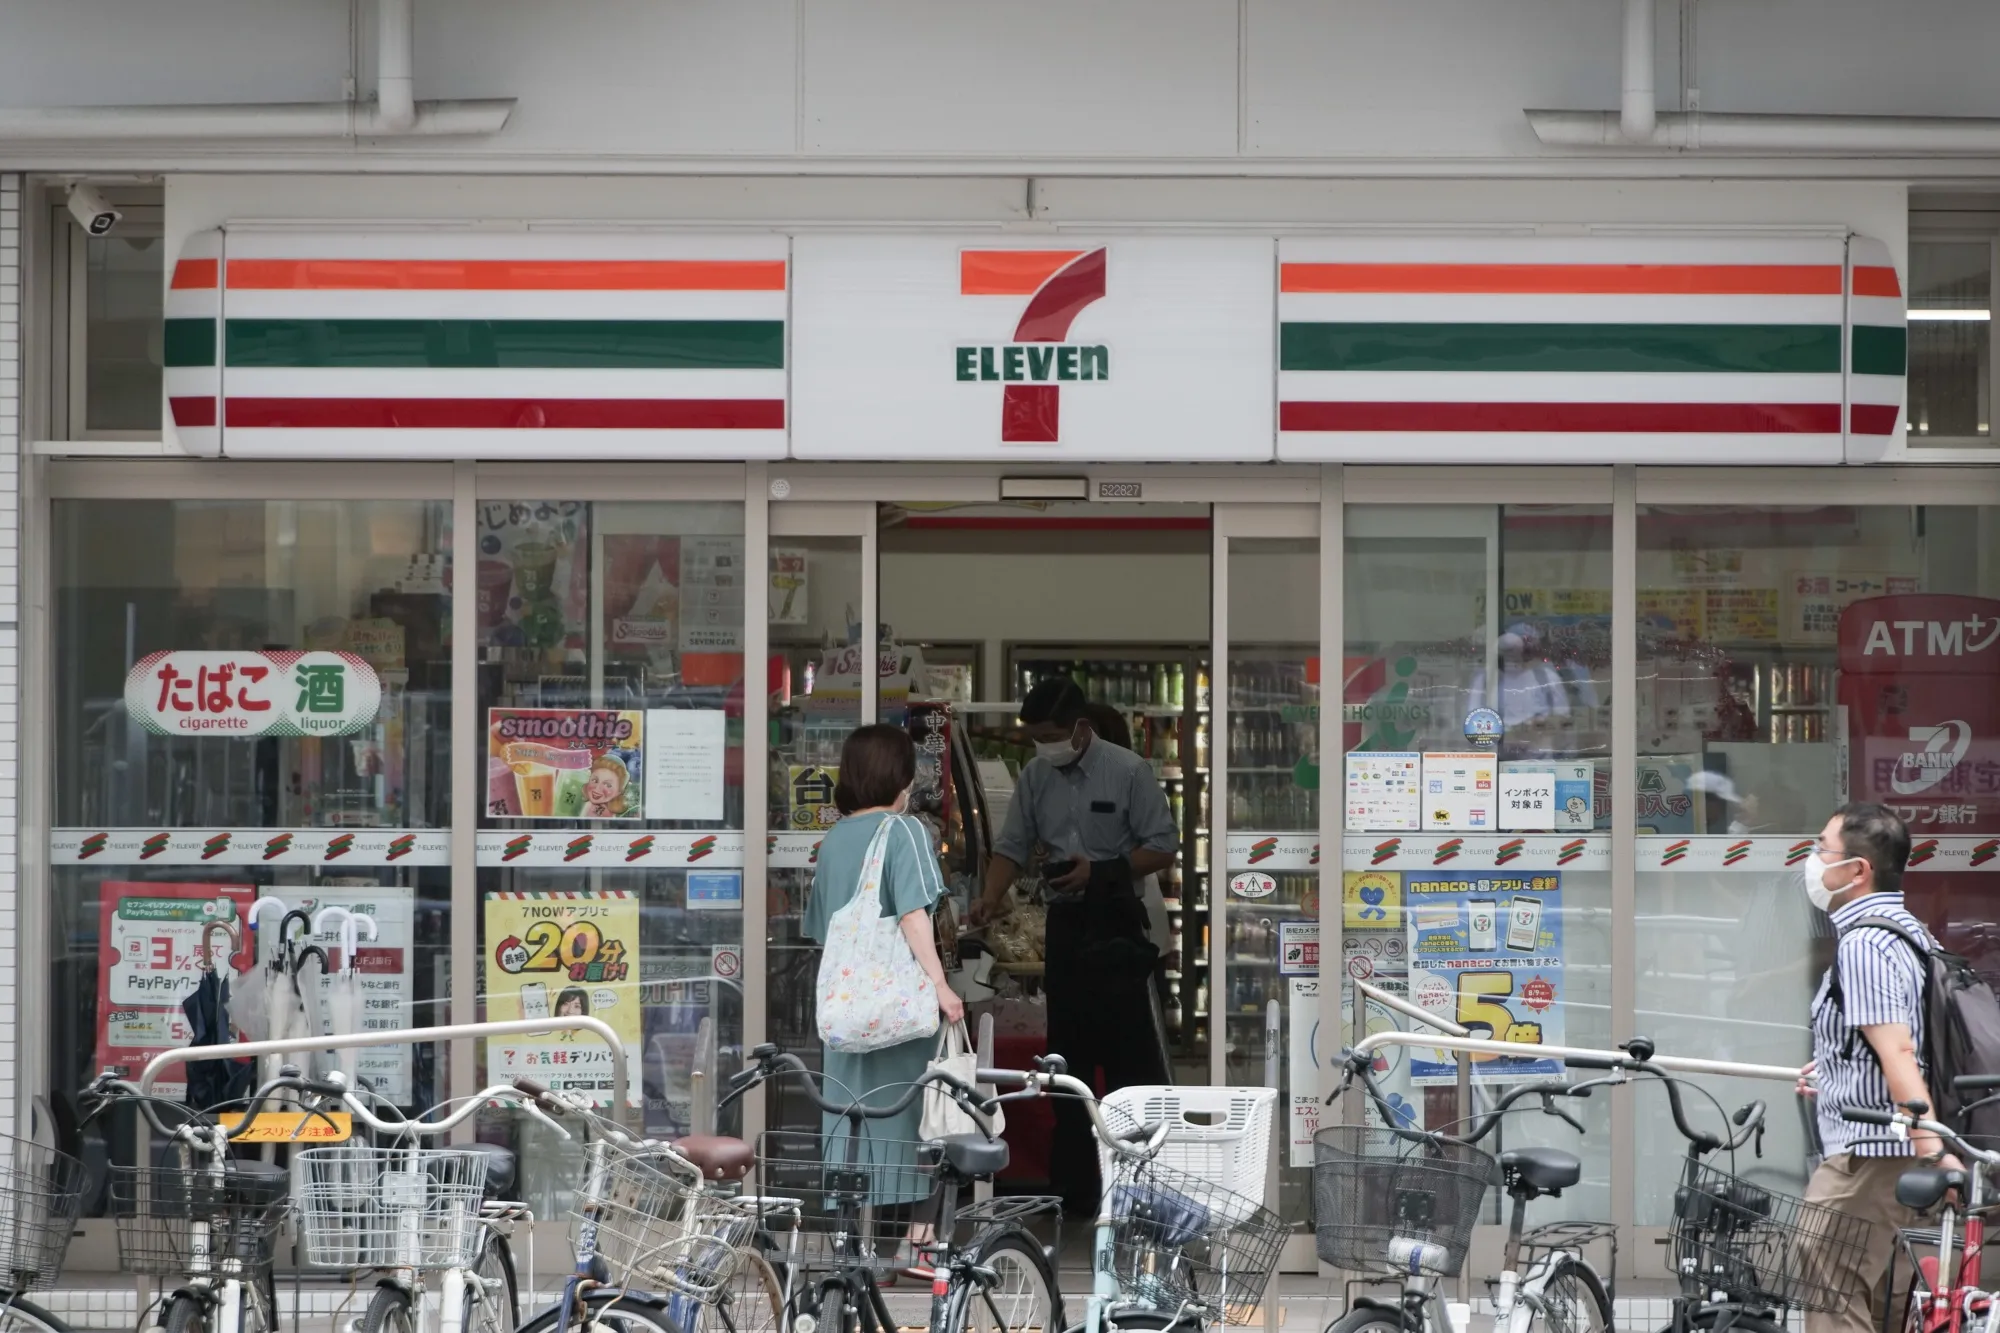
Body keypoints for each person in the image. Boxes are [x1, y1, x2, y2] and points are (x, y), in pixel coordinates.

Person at [970, 677, 1178, 1212]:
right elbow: (1011, 846)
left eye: (1051, 735)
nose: (1043, 745)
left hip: (1118, 925)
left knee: (1133, 1072)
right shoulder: (1035, 776)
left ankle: (1141, 1195)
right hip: (1065, 927)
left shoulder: (1128, 770)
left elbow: (1163, 846)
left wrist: (1101, 870)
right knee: (1066, 1070)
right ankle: (1076, 1196)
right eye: (1036, 737)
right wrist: (988, 899)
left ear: (1081, 728)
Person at [802, 723, 962, 1267]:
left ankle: (856, 1248)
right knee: (924, 1118)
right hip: (899, 1012)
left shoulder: (834, 841)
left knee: (850, 1124)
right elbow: (915, 916)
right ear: (901, 777)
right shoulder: (905, 832)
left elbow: (824, 930)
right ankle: (917, 1244)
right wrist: (940, 985)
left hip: (846, 1013)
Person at [1796, 802, 1949, 1333]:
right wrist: (1834, 1066)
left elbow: (1899, 1051)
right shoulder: (1910, 932)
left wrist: (1933, 1152)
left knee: (1827, 1273)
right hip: (1895, 1150)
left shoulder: (1864, 944)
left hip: (1872, 1151)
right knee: (1887, 1299)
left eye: (1821, 848)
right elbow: (1904, 1035)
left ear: (1857, 869)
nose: (1812, 860)